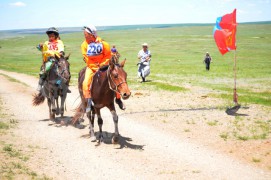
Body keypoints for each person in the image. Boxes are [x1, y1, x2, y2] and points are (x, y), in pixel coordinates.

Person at [81, 25, 125, 112]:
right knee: (86, 83)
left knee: (115, 78)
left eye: (86, 35)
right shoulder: (84, 45)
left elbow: (107, 56)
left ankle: (118, 98)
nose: (85, 36)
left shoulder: (103, 44)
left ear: (92, 34)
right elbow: (86, 58)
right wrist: (95, 67)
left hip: (104, 65)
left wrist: (102, 65)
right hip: (91, 67)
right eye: (84, 35)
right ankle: (89, 101)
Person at [36, 27, 71, 93]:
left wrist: (61, 52)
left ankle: (66, 84)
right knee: (45, 69)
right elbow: (41, 48)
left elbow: (61, 48)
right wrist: (40, 46)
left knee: (65, 67)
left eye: (52, 36)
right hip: (50, 60)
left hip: (58, 59)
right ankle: (40, 84)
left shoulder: (59, 42)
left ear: (56, 36)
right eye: (49, 36)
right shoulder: (46, 43)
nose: (51, 37)